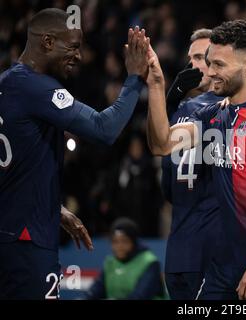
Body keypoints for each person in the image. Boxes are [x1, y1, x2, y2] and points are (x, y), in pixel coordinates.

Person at [146, 19, 246, 300]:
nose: (209, 72)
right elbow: (161, 144)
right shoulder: (212, 115)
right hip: (222, 266)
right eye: (209, 62)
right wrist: (157, 85)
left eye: (219, 64)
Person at [0, 8, 149, 299]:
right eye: (72, 47)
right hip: (27, 241)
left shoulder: (7, 82)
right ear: (46, 42)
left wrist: (53, 208)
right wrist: (134, 78)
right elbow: (104, 129)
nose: (79, 57)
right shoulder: (37, 89)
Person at [161, 29, 223, 300]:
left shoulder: (188, 110)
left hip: (188, 248)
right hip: (193, 245)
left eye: (200, 57)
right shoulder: (187, 108)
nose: (193, 65)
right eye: (191, 58)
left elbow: (167, 187)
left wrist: (169, 105)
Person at [84, 218, 166, 300]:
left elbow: (140, 296)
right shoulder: (110, 262)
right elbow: (96, 290)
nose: (119, 247)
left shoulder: (150, 263)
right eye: (115, 242)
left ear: (134, 242)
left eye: (124, 241)